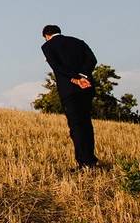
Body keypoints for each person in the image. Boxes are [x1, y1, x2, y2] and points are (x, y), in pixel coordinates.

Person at [41, 25, 99, 170]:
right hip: (86, 87)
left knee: (76, 126)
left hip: (69, 90)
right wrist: (83, 76)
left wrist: (75, 78)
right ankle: (91, 160)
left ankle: (84, 163)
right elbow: (92, 60)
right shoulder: (79, 42)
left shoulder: (47, 46)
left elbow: (57, 67)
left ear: (46, 36)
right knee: (86, 124)